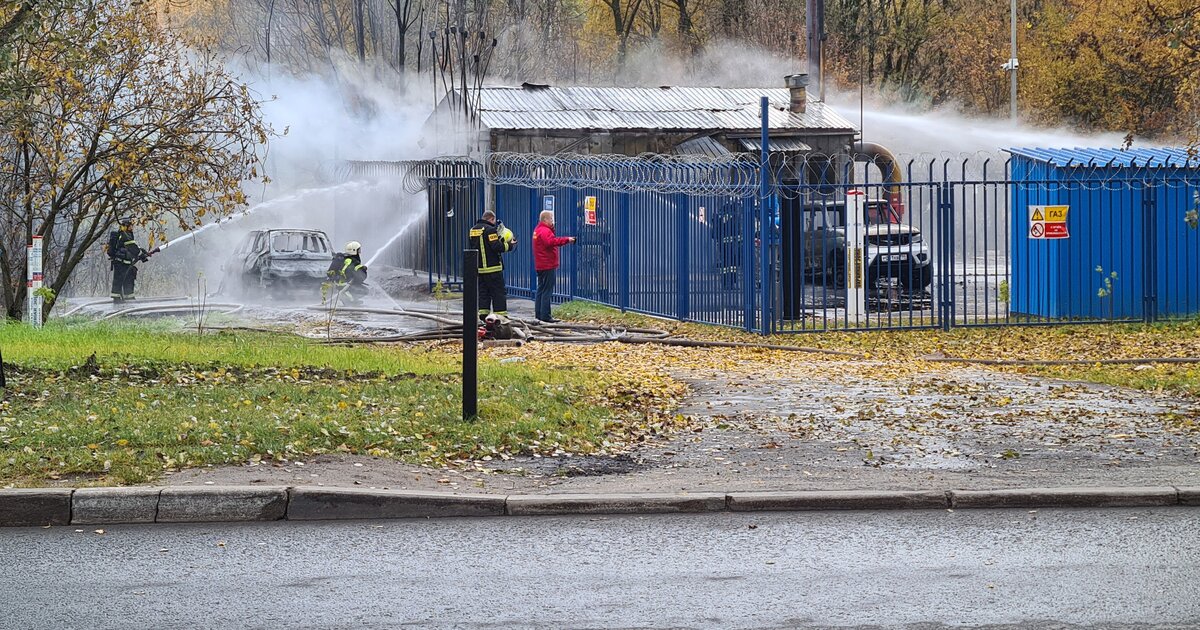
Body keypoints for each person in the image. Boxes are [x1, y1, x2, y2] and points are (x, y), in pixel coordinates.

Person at [467, 209, 515, 321]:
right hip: (493, 268)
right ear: (491, 219)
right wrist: (509, 245)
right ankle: (500, 317)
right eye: (494, 220)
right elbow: (496, 247)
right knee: (498, 293)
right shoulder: (490, 230)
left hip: (479, 269)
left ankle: (484, 316)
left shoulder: (473, 230)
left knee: (484, 293)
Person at [532, 210, 575, 323]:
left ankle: (539, 314)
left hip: (541, 264)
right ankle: (546, 315)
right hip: (547, 264)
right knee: (547, 290)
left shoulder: (538, 230)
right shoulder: (545, 231)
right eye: (551, 219)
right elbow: (550, 242)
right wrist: (567, 240)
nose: (553, 221)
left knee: (541, 289)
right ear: (545, 220)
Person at [107, 217, 150, 303]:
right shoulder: (123, 234)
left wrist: (142, 251)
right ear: (126, 226)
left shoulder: (127, 234)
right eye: (131, 226)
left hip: (127, 263)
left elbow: (132, 246)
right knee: (119, 280)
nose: (132, 227)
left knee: (129, 280)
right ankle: (117, 299)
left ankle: (129, 298)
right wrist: (142, 255)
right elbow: (132, 247)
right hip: (120, 263)